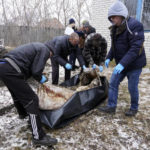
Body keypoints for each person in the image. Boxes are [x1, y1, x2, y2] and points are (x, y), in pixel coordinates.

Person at [0, 42, 58, 146]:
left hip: (4, 66)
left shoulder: (37, 46)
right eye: (51, 56)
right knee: (32, 100)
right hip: (12, 69)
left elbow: (28, 69)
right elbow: (36, 72)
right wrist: (41, 78)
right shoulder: (44, 50)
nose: (49, 58)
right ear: (51, 52)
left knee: (18, 93)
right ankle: (38, 137)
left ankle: (23, 114)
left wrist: (37, 76)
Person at [98, 1, 147, 116]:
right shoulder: (115, 28)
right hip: (122, 64)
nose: (112, 20)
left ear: (121, 16)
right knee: (113, 83)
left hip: (134, 65)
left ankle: (134, 108)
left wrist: (122, 64)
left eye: (114, 17)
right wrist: (108, 57)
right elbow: (114, 46)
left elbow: (135, 48)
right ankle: (111, 106)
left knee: (132, 87)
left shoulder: (135, 26)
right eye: (111, 18)